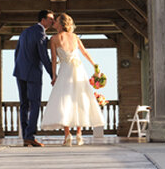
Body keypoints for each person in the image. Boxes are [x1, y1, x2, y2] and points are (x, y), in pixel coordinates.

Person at [40, 12, 105, 146]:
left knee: (65, 101)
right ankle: (79, 135)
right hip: (79, 70)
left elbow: (53, 59)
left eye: (56, 21)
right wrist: (95, 67)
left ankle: (67, 136)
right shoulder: (74, 37)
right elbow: (85, 53)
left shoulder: (54, 39)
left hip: (65, 71)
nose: (54, 23)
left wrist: (53, 76)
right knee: (78, 100)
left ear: (61, 23)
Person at [13, 9, 55, 147]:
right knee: (35, 103)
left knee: (24, 104)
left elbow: (17, 52)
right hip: (33, 73)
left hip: (19, 71)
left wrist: (19, 67)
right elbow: (44, 57)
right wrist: (53, 74)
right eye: (50, 18)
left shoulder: (25, 32)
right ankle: (30, 136)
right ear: (43, 20)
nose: (52, 21)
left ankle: (26, 136)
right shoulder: (40, 34)